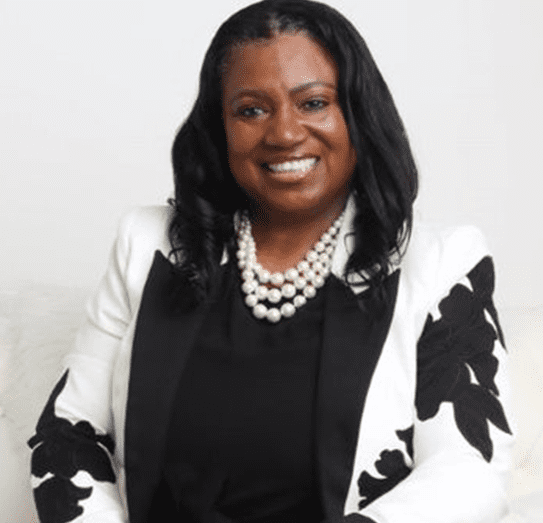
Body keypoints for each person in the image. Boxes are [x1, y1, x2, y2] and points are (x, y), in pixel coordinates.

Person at [28, 1, 514, 522]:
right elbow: (67, 433)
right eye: (251, 109)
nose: (284, 133)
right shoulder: (148, 246)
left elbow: (469, 466)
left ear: (357, 113)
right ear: (220, 127)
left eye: (314, 102)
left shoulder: (439, 264)